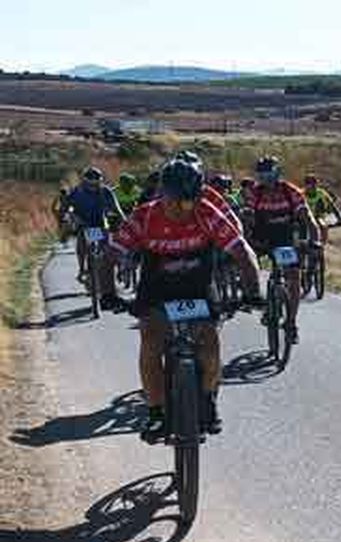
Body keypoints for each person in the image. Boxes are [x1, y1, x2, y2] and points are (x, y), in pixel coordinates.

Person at [110, 158, 262, 440]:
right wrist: (108, 293)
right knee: (151, 342)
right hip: (157, 288)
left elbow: (243, 252)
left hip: (196, 287)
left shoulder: (206, 212)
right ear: (162, 194)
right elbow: (110, 254)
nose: (180, 209)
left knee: (210, 345)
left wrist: (253, 292)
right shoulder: (144, 216)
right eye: (174, 201)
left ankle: (208, 401)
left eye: (188, 202)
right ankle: (156, 413)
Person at [243, 156, 313, 340]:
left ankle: (291, 323)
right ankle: (262, 300)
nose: (266, 180)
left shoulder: (291, 191)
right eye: (262, 176)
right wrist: (245, 241)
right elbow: (247, 217)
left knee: (293, 277)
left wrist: (314, 239)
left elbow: (307, 217)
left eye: (269, 175)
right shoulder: (254, 193)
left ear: (277, 174)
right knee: (248, 265)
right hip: (262, 239)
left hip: (285, 240)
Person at [65, 167, 124, 297]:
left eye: (95, 184)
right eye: (90, 184)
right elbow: (67, 206)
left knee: (106, 249)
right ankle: (82, 269)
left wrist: (123, 221)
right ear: (84, 182)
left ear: (100, 181)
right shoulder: (77, 191)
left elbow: (116, 208)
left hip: (99, 224)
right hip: (83, 223)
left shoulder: (106, 192)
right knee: (82, 242)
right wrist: (71, 215)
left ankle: (108, 275)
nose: (93, 187)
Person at [303, 173, 341, 244]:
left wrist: (339, 219)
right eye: (310, 184)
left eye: (314, 184)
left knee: (323, 225)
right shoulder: (301, 194)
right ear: (306, 185)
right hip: (306, 217)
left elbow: (332, 206)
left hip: (318, 216)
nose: (312, 187)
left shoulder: (321, 193)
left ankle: (322, 244)